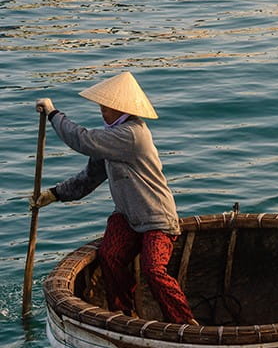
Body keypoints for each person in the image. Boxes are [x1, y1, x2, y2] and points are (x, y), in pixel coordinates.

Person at [33, 72, 198, 325]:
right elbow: (88, 179)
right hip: (128, 216)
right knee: (109, 256)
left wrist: (54, 114)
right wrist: (55, 194)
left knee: (153, 270)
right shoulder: (110, 139)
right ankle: (124, 315)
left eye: (105, 105)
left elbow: (83, 140)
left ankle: (185, 323)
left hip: (156, 217)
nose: (101, 110)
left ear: (121, 107)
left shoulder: (132, 134)